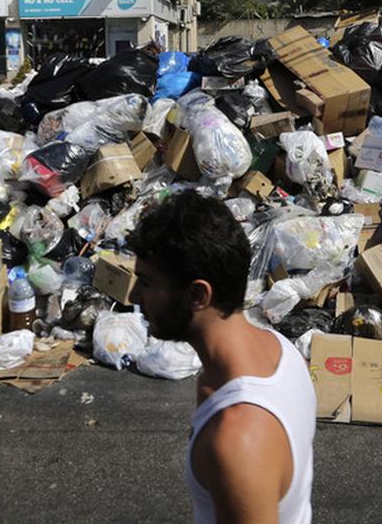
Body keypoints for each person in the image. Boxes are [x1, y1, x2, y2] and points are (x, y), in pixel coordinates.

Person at [127, 192, 314, 524]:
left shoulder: (237, 440)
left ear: (198, 295)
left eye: (145, 282)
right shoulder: (279, 350)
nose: (133, 296)